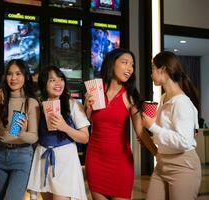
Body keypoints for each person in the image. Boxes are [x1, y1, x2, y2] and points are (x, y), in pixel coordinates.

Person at [84, 48, 157, 200]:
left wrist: (158, 155)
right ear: (112, 64)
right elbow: (86, 124)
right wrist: (87, 107)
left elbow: (140, 132)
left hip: (120, 161)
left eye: (132, 65)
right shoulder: (96, 90)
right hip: (95, 159)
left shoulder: (130, 96)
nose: (129, 68)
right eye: (125, 62)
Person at [142, 51, 201, 200]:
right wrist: (153, 135)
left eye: (152, 69)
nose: (151, 74)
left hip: (183, 166)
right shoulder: (163, 98)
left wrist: (153, 128)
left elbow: (184, 141)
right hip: (162, 163)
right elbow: (167, 132)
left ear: (163, 70)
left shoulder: (181, 102)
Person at [27, 66, 90, 200]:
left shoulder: (73, 104)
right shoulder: (38, 104)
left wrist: (65, 127)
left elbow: (85, 138)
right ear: (44, 84)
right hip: (43, 157)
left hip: (66, 161)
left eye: (60, 79)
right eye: (52, 80)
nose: (58, 83)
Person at [0, 59, 40, 200]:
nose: (13, 78)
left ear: (26, 76)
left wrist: (21, 133)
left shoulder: (31, 103)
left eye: (18, 74)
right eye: (10, 74)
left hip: (22, 156)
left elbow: (34, 137)